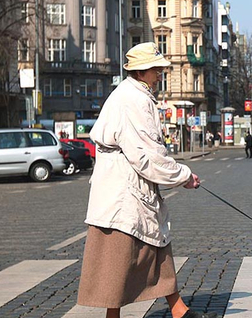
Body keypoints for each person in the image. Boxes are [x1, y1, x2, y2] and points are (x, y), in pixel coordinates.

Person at [78, 42, 216, 318]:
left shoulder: (136, 95)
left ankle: (179, 311)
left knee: (156, 246)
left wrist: (179, 175)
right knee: (119, 259)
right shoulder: (133, 100)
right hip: (123, 192)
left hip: (129, 188)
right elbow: (146, 156)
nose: (160, 73)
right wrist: (183, 176)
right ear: (142, 72)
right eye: (156, 69)